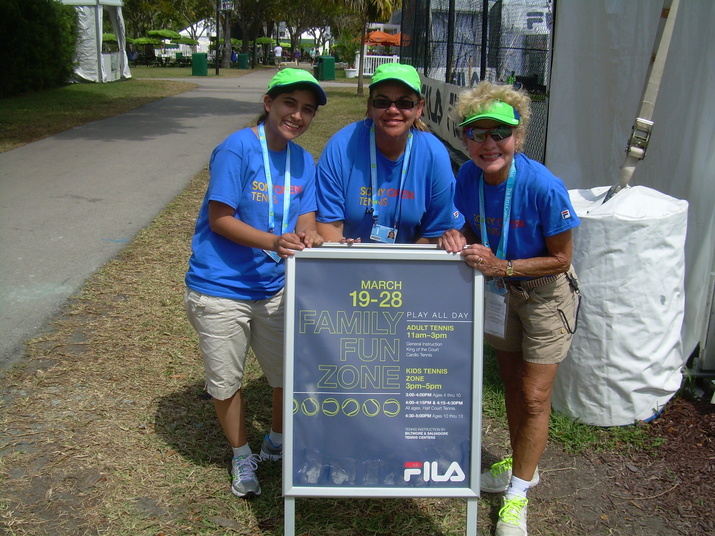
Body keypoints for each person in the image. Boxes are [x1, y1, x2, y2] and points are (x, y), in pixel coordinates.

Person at [439, 81, 581, 536]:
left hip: (542, 293)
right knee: (514, 388)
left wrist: (503, 263)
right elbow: (465, 222)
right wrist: (456, 235)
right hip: (500, 294)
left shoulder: (543, 185)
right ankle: (521, 467)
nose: (488, 144)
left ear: (518, 137)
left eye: (499, 133)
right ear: (465, 140)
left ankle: (517, 495)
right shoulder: (467, 177)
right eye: (476, 134)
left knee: (536, 396)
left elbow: (563, 258)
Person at [184, 69, 327, 499]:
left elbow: (305, 218)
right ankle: (241, 454)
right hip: (219, 288)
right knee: (227, 380)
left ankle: (278, 443)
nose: (297, 116)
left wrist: (308, 236)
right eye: (290, 104)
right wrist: (274, 241)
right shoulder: (238, 148)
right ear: (269, 103)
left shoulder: (303, 160)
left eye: (307, 109)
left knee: (287, 373)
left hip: (275, 287)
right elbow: (220, 219)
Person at [316, 63, 463, 243]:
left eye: (404, 103)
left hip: (408, 267)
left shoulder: (434, 154)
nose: (393, 110)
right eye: (382, 102)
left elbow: (436, 232)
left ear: (419, 109)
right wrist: (341, 249)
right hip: (349, 263)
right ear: (370, 107)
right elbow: (328, 223)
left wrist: (396, 267)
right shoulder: (341, 146)